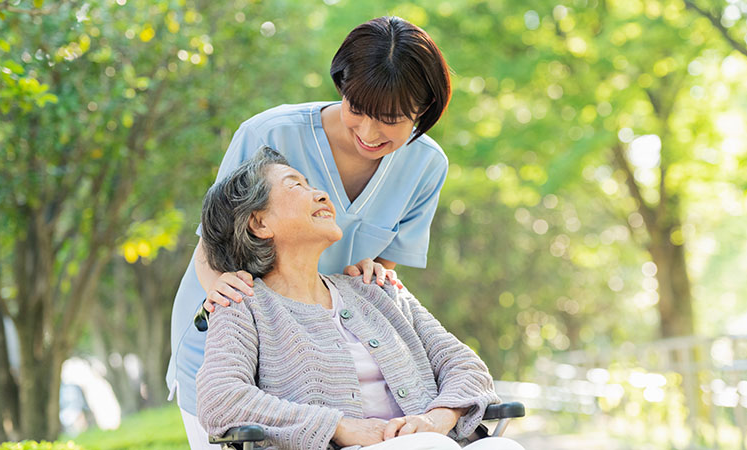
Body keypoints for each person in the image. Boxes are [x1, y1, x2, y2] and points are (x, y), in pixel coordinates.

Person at [167, 16, 455, 448]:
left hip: (323, 363)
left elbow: (380, 264)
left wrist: (372, 275)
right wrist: (230, 303)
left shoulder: (426, 166)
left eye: (391, 119)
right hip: (231, 344)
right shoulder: (271, 133)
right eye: (357, 108)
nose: (369, 133)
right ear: (341, 85)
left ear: (424, 109)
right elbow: (215, 237)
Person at [196, 148, 524, 450]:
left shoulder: (374, 288)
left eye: (311, 184)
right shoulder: (243, 304)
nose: (321, 194)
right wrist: (337, 427)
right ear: (260, 222)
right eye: (295, 185)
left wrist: (436, 419)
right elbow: (220, 398)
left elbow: (465, 365)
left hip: (435, 442)